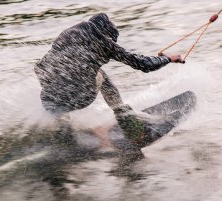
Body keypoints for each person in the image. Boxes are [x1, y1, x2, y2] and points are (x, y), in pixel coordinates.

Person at [34, 13, 183, 147]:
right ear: (107, 33)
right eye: (112, 39)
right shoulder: (103, 40)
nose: (112, 42)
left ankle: (63, 132)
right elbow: (143, 64)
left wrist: (56, 90)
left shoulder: (68, 34)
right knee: (101, 76)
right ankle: (130, 124)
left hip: (48, 99)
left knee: (78, 78)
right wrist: (167, 58)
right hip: (77, 97)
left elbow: (41, 68)